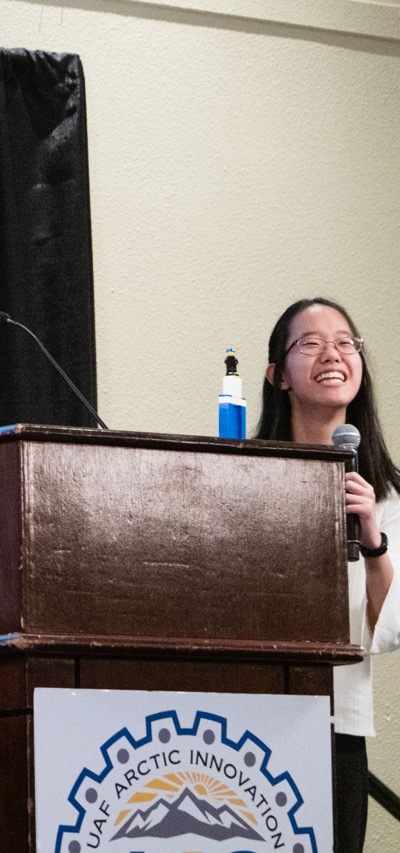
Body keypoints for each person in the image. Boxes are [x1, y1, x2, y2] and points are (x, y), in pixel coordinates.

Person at [255, 297, 400, 853]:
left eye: (345, 343)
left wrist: (373, 540)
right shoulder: (244, 472)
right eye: (310, 344)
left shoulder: (384, 493)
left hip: (338, 721)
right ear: (278, 375)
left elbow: (389, 629)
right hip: (250, 707)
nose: (332, 354)